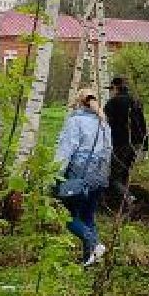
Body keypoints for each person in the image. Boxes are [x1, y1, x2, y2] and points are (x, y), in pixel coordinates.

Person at [52, 90, 113, 266]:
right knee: (88, 216)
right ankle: (89, 259)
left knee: (67, 215)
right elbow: (108, 150)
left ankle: (95, 244)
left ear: (78, 102)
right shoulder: (103, 123)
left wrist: (55, 174)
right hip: (99, 175)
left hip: (79, 175)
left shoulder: (75, 121)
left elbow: (66, 150)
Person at [103, 76, 149, 211]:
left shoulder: (112, 103)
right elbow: (142, 124)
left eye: (111, 89)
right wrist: (145, 145)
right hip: (136, 143)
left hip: (120, 143)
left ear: (116, 88)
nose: (111, 92)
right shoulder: (135, 101)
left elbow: (104, 124)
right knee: (125, 173)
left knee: (113, 177)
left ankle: (129, 199)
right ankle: (123, 205)